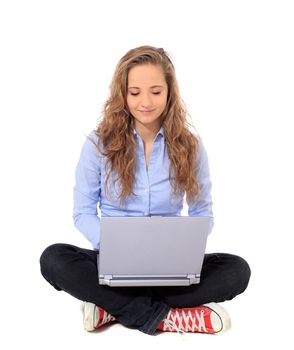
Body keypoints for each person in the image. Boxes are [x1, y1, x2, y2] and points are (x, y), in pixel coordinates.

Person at [40, 45, 251, 336]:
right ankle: (167, 318)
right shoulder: (98, 144)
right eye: (134, 92)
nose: (145, 102)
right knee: (53, 259)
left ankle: (110, 307)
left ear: (169, 92)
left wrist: (184, 248)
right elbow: (83, 211)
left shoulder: (190, 145)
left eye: (155, 91)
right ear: (122, 94)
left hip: (171, 268)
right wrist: (114, 247)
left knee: (237, 270)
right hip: (113, 265)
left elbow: (203, 211)